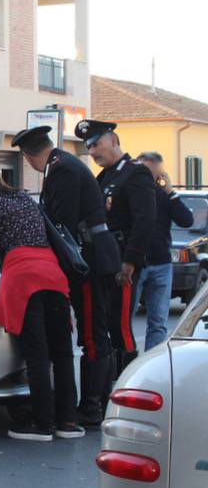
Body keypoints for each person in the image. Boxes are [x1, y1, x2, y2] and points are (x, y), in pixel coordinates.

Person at [0, 163, 83, 442]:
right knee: (61, 354)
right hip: (53, 275)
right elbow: (27, 234)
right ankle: (68, 422)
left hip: (25, 281)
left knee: (36, 355)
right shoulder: (25, 199)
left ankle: (41, 424)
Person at [12, 125, 117, 427]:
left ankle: (92, 406)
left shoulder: (61, 170)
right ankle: (95, 402)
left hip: (89, 257)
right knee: (94, 332)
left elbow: (61, 223)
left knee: (93, 336)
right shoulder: (63, 164)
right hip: (92, 253)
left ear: (28, 157)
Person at [76, 120, 157, 377]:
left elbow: (145, 219)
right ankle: (108, 386)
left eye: (97, 144)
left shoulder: (135, 172)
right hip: (103, 260)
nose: (93, 152)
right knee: (104, 325)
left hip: (122, 260)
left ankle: (128, 383)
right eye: (89, 148)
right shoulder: (105, 176)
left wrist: (130, 261)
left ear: (113, 140)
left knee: (119, 326)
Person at [133, 151, 193, 350]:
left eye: (155, 173)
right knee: (124, 319)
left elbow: (186, 220)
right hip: (134, 264)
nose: (150, 177)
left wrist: (171, 192)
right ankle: (125, 364)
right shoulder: (129, 192)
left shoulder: (164, 195)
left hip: (161, 264)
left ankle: (150, 366)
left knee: (158, 323)